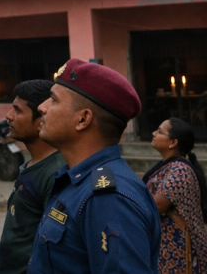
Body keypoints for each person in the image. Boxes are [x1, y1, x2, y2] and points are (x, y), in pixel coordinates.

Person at [29, 58, 161, 274]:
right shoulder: (77, 181)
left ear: (83, 119)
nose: (41, 107)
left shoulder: (108, 200)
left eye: (53, 100)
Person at [0, 80, 66, 274]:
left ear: (41, 119)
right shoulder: (31, 165)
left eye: (18, 110)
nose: (9, 116)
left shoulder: (55, 172)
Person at [144, 117, 207, 274]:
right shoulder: (170, 165)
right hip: (168, 246)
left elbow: (158, 205)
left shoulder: (180, 169)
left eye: (159, 131)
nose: (153, 133)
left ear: (173, 143)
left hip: (179, 250)